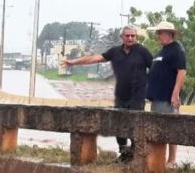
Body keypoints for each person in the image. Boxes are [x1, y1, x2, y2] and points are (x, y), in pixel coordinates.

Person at [61, 25, 152, 163]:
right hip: (121, 96)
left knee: (135, 127)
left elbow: (155, 70)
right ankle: (124, 152)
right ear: (122, 37)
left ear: (136, 37)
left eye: (133, 36)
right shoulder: (115, 52)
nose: (130, 38)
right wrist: (72, 62)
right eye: (127, 35)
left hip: (137, 97)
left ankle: (134, 155)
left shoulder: (143, 52)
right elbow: (95, 58)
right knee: (118, 126)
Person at [145, 21, 186, 169]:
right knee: (157, 129)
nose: (158, 35)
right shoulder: (162, 51)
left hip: (167, 98)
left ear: (169, 34)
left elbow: (181, 72)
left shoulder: (176, 50)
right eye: (158, 32)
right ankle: (158, 159)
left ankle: (172, 160)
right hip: (156, 97)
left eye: (160, 32)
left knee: (170, 129)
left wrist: (175, 94)